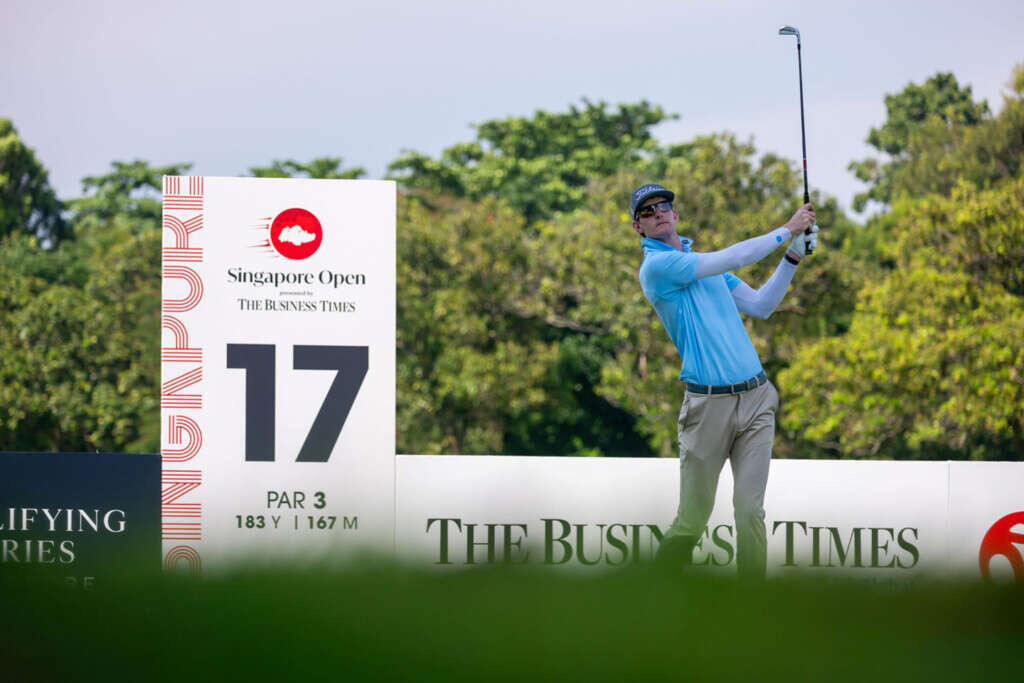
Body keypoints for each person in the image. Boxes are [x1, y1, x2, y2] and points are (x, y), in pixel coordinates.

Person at [630, 183, 818, 579]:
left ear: (676, 215)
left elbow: (761, 306)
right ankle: (650, 595)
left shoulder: (704, 266)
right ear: (639, 228)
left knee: (750, 510)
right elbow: (732, 256)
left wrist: (791, 257)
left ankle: (749, 612)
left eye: (664, 206)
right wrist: (788, 228)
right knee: (692, 518)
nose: (659, 212)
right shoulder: (659, 268)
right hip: (707, 408)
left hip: (756, 399)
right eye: (647, 212)